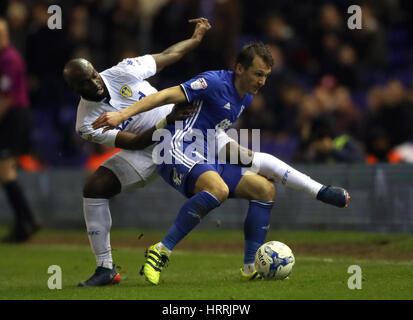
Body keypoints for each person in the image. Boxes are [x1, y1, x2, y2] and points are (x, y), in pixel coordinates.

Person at [93, 43, 350, 285]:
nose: (262, 81)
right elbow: (164, 96)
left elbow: (215, 133)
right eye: (257, 74)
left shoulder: (245, 96)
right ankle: (160, 251)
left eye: (266, 75)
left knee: (264, 189)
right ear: (239, 68)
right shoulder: (214, 82)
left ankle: (251, 267)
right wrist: (122, 114)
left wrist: (242, 156)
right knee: (219, 189)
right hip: (174, 147)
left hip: (205, 151)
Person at [63, 17, 211, 287]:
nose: (95, 83)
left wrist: (196, 38)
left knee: (229, 175)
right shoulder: (85, 122)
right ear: (75, 90)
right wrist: (168, 119)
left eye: (94, 75)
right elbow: (135, 143)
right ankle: (105, 268)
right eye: (85, 83)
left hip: (180, 135)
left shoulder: (122, 71)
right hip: (148, 146)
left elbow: (168, 55)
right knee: (95, 187)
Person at [0, 18, 39, 243]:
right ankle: (25, 222)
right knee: (5, 172)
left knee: (5, 170)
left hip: (13, 116)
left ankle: (26, 222)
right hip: (12, 115)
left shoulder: (9, 59)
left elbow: (5, 98)